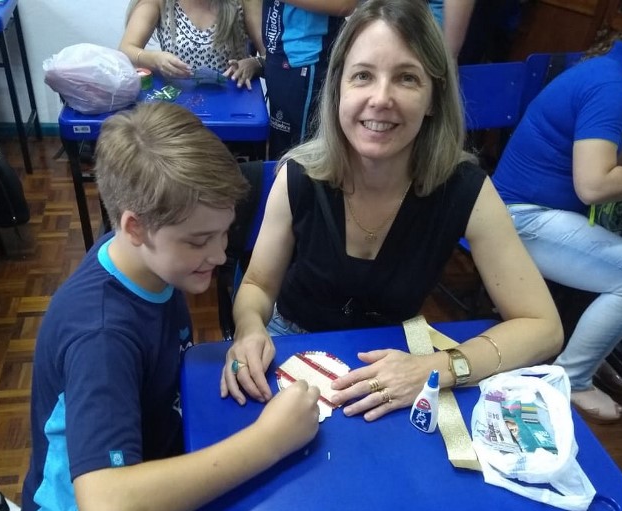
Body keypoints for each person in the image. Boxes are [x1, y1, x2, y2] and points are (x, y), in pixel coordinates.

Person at [0, 102, 321, 511]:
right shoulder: (101, 337)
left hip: (127, 492)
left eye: (225, 232)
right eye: (200, 240)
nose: (221, 253)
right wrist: (268, 441)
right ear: (135, 227)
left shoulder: (141, 260)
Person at [220, 0, 563, 421]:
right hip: (291, 352)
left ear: (433, 97)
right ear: (338, 88)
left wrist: (439, 367)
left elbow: (544, 326)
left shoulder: (465, 189)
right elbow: (258, 285)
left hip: (396, 368)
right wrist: (249, 329)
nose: (381, 99)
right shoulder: (299, 175)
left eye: (406, 78)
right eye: (363, 75)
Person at [492, 4, 622, 423]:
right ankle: (572, 378)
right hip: (518, 218)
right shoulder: (612, 85)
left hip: (548, 211)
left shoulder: (614, 74)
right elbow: (594, 185)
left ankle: (597, 349)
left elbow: (596, 153)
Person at [262, 0, 359, 159]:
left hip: (306, 60)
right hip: (279, 56)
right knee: (279, 151)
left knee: (300, 158)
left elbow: (345, 4)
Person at [119, 0, 264, 89]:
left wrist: (255, 63)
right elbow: (125, 49)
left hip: (233, 97)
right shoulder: (158, 2)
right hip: (178, 97)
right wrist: (155, 59)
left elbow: (271, 55)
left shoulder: (245, 2)